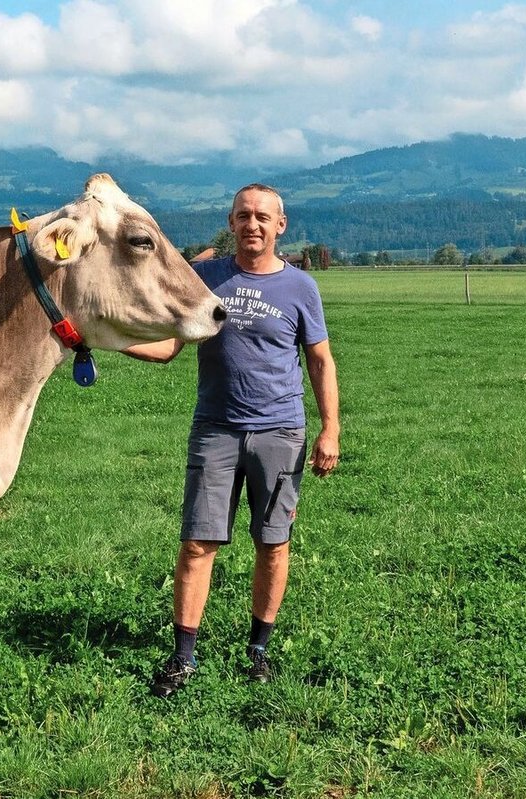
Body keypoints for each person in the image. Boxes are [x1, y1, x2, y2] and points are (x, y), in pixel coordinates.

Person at [125, 183, 341, 696]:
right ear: (231, 222)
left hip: (280, 431)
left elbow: (319, 360)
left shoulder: (301, 288)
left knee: (272, 543)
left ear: (280, 226)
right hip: (215, 429)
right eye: (244, 215)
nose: (253, 224)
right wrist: (103, 338)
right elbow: (170, 346)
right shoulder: (206, 277)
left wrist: (330, 428)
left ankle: (260, 651)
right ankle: (183, 657)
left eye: (264, 217)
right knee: (198, 543)